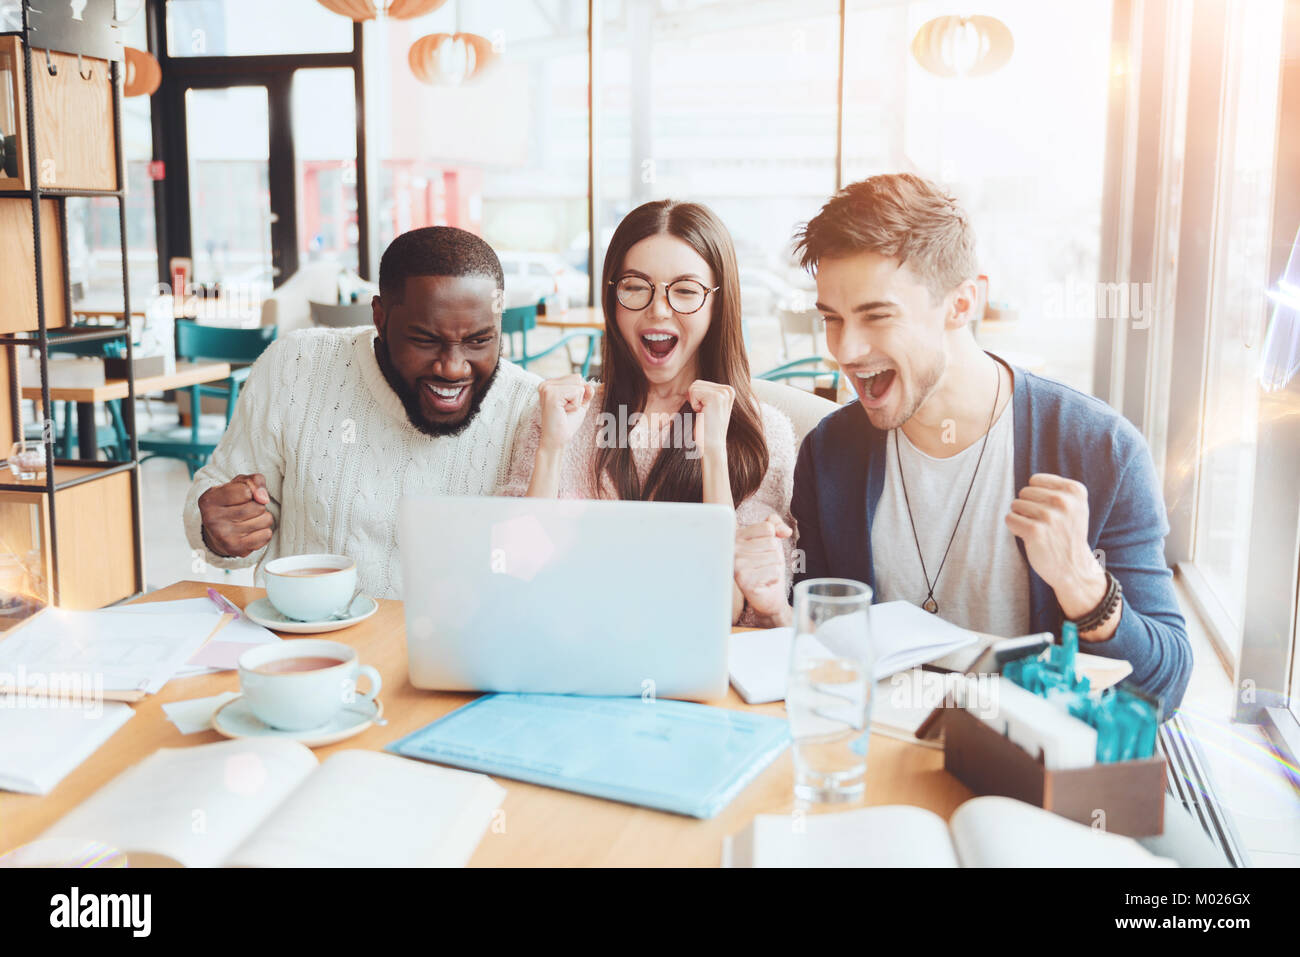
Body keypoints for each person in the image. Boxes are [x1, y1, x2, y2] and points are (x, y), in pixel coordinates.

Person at [779, 173, 1191, 714]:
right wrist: (775, 608)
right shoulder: (831, 452)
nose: (846, 349)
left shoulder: (1101, 450)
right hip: (878, 757)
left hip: (1025, 769)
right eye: (832, 319)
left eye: (876, 316)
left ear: (962, 303)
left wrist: (1084, 585)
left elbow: (1164, 689)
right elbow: (819, 646)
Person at [185, 226, 541, 598]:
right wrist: (217, 531)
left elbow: (539, 574)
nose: (453, 368)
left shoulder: (529, 408)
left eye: (479, 341)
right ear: (381, 318)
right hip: (307, 646)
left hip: (456, 654)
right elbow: (217, 502)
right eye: (424, 340)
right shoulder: (295, 366)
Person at [503, 200, 796, 627]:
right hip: (569, 657)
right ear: (613, 297)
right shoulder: (564, 416)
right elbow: (515, 571)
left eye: (685, 290)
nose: (658, 309)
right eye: (636, 286)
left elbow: (723, 613)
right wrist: (550, 448)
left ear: (718, 304)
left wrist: (712, 450)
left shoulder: (765, 432)